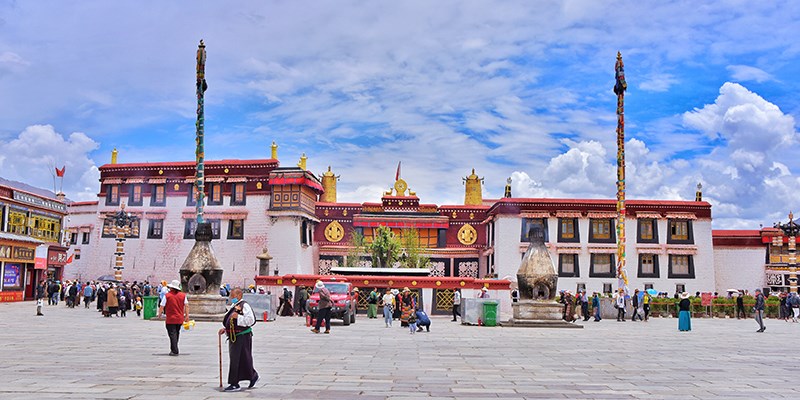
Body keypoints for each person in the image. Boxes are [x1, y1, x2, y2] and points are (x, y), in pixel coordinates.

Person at [218, 288, 259, 392]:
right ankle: (253, 375)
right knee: (242, 358)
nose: (231, 298)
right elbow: (231, 320)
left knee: (236, 359)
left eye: (233, 296)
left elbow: (251, 320)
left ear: (239, 295)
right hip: (235, 336)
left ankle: (234, 383)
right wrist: (226, 329)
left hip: (242, 336)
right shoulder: (235, 306)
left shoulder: (244, 305)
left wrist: (238, 318)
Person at [158, 280, 189, 355]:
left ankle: (175, 350)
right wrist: (187, 315)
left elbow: (162, 305)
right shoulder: (183, 295)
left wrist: (159, 314)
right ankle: (174, 348)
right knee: (176, 333)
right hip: (179, 318)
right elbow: (187, 305)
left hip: (170, 319)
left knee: (172, 334)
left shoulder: (167, 296)